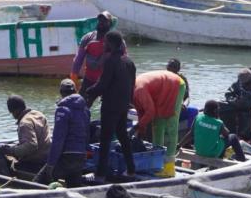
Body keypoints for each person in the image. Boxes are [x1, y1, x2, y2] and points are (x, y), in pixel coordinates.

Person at [85, 31, 136, 182]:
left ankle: (100, 174)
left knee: (105, 139)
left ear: (112, 44)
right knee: (123, 136)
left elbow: (103, 84)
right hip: (123, 106)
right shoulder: (129, 62)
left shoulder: (111, 60)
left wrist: (88, 90)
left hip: (110, 106)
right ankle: (131, 170)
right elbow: (132, 86)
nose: (104, 45)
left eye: (106, 42)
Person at [132, 70, 187, 178]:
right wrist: (140, 129)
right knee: (157, 125)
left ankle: (170, 168)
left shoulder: (139, 90)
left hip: (175, 85)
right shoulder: (133, 94)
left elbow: (150, 112)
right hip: (161, 91)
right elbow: (141, 112)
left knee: (171, 125)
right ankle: (157, 163)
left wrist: (137, 126)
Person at [38, 79, 90, 187]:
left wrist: (50, 164)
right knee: (74, 190)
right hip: (80, 157)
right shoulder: (85, 110)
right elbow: (87, 135)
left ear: (61, 92)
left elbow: (58, 139)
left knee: (38, 183)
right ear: (75, 91)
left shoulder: (62, 110)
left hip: (67, 156)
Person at [0, 96, 51, 178]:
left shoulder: (24, 123)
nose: (12, 116)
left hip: (35, 163)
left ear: (15, 111)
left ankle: (4, 179)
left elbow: (31, 145)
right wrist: (14, 148)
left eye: (12, 113)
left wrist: (10, 150)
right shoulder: (39, 115)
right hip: (46, 159)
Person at [71, 11, 113, 93]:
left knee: (110, 105)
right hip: (90, 79)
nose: (101, 22)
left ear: (110, 24)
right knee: (81, 103)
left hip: (108, 81)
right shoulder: (88, 38)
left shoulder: (115, 40)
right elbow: (78, 59)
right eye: (100, 20)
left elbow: (124, 60)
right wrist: (74, 76)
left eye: (105, 21)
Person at [220, 67, 251, 139]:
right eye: (243, 83)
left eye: (247, 83)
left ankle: (245, 136)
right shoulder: (238, 83)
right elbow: (228, 94)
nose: (244, 85)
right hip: (238, 105)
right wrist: (234, 101)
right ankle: (226, 132)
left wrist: (247, 103)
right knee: (221, 106)